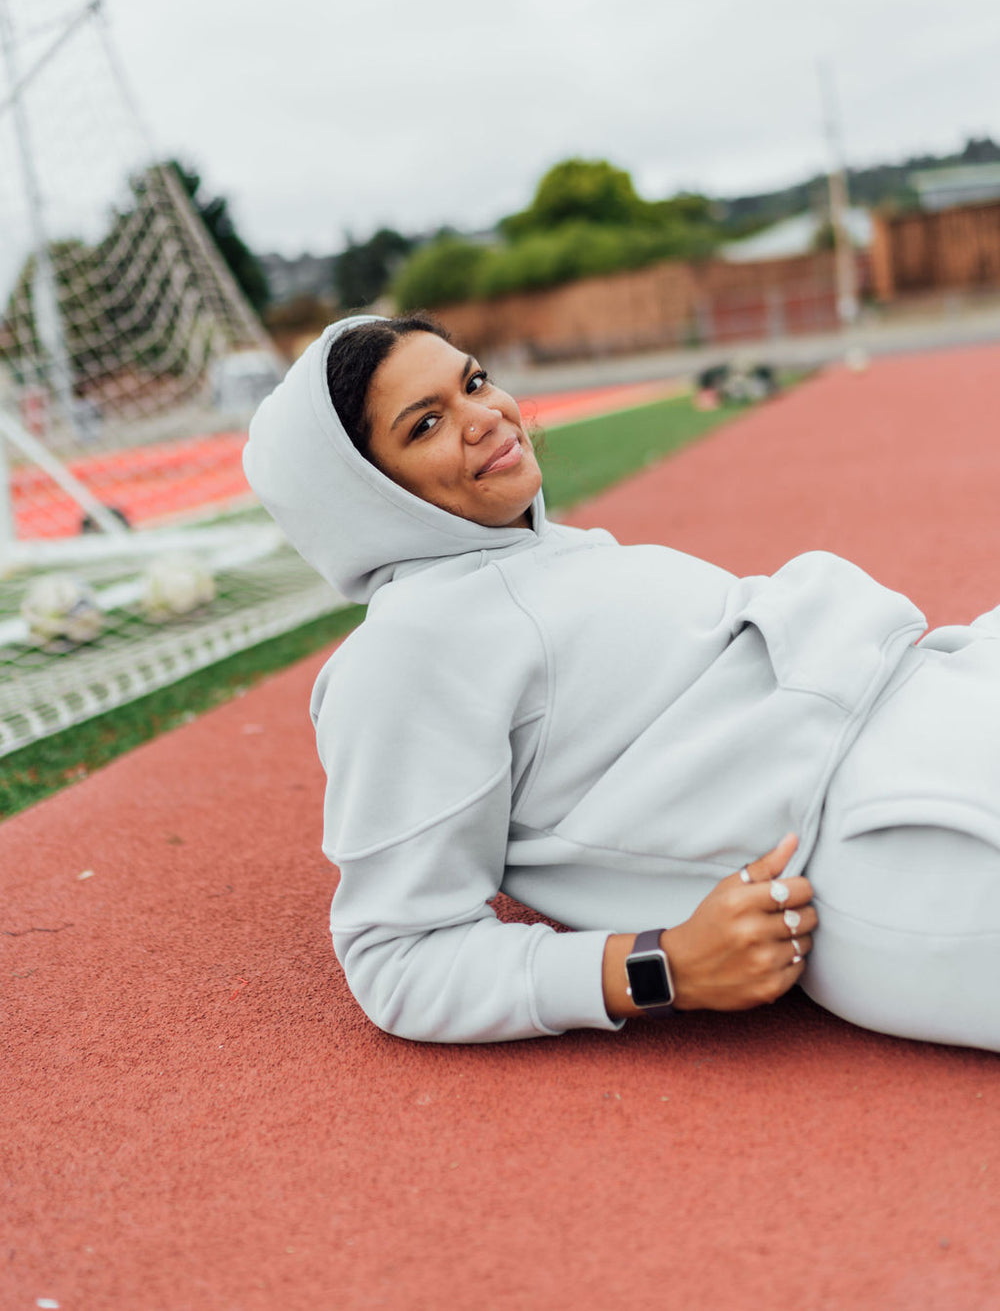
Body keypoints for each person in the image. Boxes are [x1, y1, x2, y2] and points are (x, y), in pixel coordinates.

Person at [243, 314, 1000, 1051]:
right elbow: (398, 956)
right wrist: (658, 965)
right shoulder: (407, 649)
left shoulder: (542, 552)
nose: (483, 416)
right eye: (425, 424)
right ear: (365, 494)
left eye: (473, 381)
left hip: (931, 689)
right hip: (887, 823)